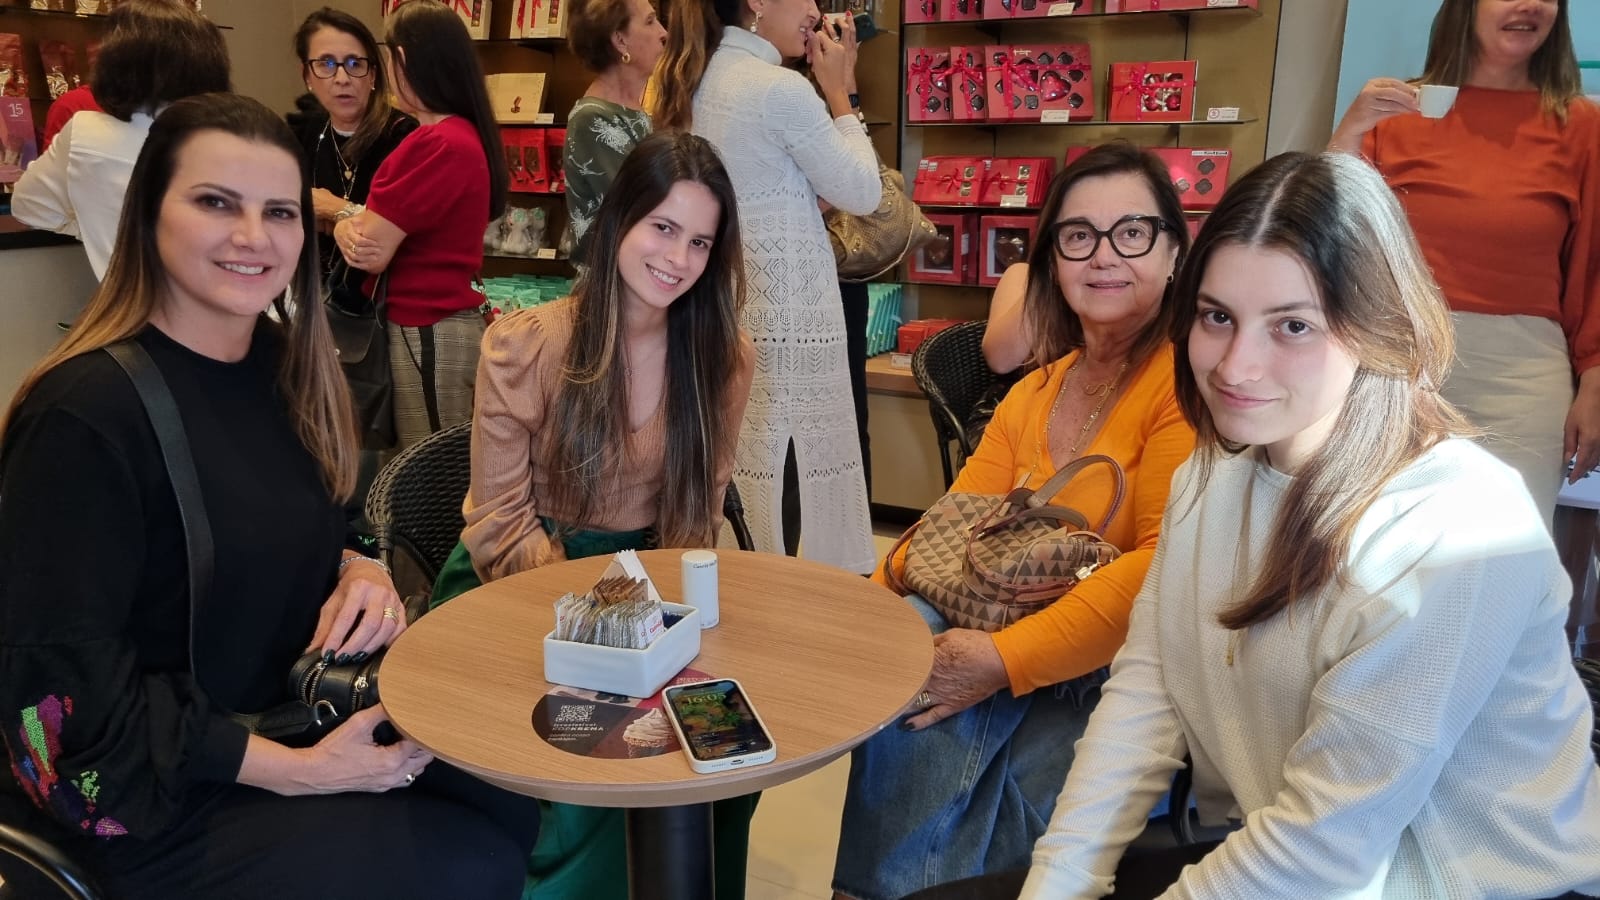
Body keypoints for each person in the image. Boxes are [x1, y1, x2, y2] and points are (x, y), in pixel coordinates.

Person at [1004, 151, 1600, 900]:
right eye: (1218, 317)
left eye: (1292, 325)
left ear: (1378, 328)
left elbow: (1326, 843)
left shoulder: (1459, 524)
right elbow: (1149, 693)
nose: (1236, 367)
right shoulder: (1209, 476)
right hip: (1294, 856)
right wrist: (1059, 882)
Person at [0, 93, 539, 900]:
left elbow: (322, 519)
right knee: (463, 864)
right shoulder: (83, 418)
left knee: (507, 789)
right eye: (217, 203)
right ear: (148, 214)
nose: (254, 236)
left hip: (280, 718)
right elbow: (66, 705)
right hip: (149, 795)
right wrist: (304, 772)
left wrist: (361, 566)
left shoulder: (283, 367)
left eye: (280, 212)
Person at [830, 142, 1197, 900]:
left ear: (1172, 251)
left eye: (1132, 232)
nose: (1104, 255)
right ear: (1052, 259)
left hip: (1124, 661)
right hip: (1005, 625)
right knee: (909, 645)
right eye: (1078, 235)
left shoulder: (1185, 386)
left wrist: (1000, 660)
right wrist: (871, 609)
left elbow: (1162, 568)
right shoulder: (1038, 390)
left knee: (973, 744)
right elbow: (952, 523)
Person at [428, 131, 756, 899]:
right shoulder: (526, 345)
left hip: (650, 583)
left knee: (728, 759)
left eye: (700, 242)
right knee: (607, 775)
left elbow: (697, 511)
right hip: (519, 581)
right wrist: (606, 628)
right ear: (618, 222)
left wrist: (661, 623)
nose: (677, 259)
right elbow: (499, 523)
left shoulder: (723, 356)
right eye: (662, 228)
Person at [1329, 0, 1600, 527]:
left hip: (1521, 380)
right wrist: (1349, 133)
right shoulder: (1394, 113)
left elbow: (1594, 265)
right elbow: (1327, 236)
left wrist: (1595, 380)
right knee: (1374, 548)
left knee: (1505, 552)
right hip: (1395, 369)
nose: (1530, 4)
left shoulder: (1582, 125)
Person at [656, 0, 880, 569]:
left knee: (735, 481)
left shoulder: (692, 83)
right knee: (787, 489)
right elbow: (863, 191)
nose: (815, 11)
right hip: (787, 326)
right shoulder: (779, 89)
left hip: (717, 316)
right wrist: (840, 92)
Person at [334, 0, 507, 451]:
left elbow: (370, 249)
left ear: (403, 59)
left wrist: (340, 218)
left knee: (427, 467)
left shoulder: (437, 143)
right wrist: (350, 222)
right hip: (440, 325)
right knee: (437, 462)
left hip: (426, 327)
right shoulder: (460, 136)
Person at [12, 0, 229, 280]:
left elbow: (29, 207)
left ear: (115, 64)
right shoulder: (234, 137)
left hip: (140, 304)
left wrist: (92, 228)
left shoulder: (86, 135)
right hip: (253, 301)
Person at [290, 7, 417, 315]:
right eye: (326, 64)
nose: (342, 78)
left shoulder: (403, 136)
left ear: (372, 74)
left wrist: (334, 209)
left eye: (354, 64)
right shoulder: (304, 132)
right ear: (307, 76)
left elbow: (406, 232)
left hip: (385, 309)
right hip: (312, 301)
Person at [563, 0, 666, 262]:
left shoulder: (633, 110)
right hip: (611, 279)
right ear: (620, 40)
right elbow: (641, 207)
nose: (663, 32)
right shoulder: (592, 119)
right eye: (650, 21)